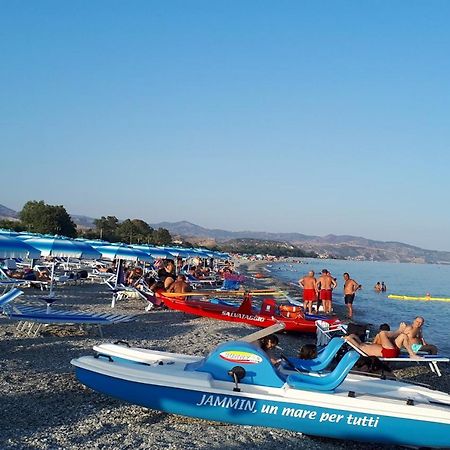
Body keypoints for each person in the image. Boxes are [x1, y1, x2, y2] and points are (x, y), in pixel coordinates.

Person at [345, 322, 421, 359]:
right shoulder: (360, 347)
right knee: (382, 333)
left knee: (403, 336)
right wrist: (348, 338)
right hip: (388, 352)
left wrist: (351, 335)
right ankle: (398, 331)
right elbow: (352, 340)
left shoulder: (362, 344)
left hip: (391, 350)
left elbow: (355, 338)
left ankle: (412, 354)